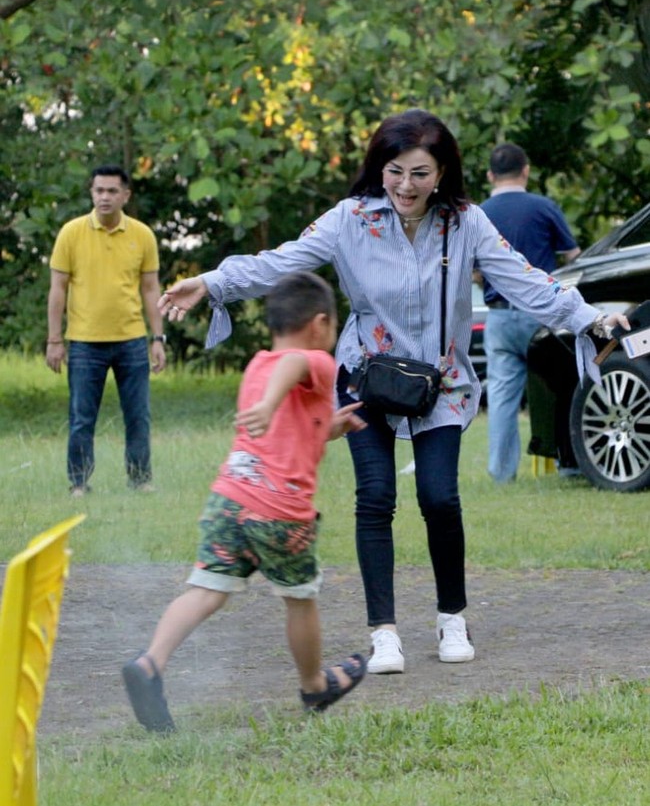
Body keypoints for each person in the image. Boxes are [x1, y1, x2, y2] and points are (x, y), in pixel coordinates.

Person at [157, 109, 628, 675]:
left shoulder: (467, 222)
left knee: (438, 497)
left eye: (421, 173)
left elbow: (523, 279)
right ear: (380, 167)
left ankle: (452, 615)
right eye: (395, 170)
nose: (406, 185)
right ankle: (384, 632)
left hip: (443, 382)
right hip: (367, 377)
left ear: (443, 172)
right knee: (376, 498)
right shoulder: (348, 219)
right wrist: (212, 282)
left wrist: (586, 317)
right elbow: (280, 263)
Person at [122, 272, 367, 732]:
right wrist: (275, 402)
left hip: (229, 500)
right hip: (279, 513)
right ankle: (315, 684)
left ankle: (151, 662)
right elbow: (293, 367)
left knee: (205, 591)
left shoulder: (256, 365)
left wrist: (325, 427)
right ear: (320, 324)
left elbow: (287, 424)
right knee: (300, 598)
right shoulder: (316, 360)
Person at [46, 164, 167, 497]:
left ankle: (140, 480)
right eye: (99, 190)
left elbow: (151, 289)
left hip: (131, 340)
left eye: (112, 191)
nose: (104, 197)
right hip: (84, 342)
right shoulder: (71, 233)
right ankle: (79, 483)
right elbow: (58, 288)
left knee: (138, 418)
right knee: (82, 419)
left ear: (125, 195)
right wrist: (55, 339)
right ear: (91, 193)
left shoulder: (142, 235)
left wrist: (158, 339)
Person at [480, 143, 581, 483]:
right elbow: (574, 257)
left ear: (490, 175)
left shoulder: (479, 214)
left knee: (502, 395)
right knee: (562, 387)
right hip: (544, 316)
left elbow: (470, 269)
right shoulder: (543, 207)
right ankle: (570, 464)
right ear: (526, 170)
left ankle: (501, 473)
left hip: (499, 316)